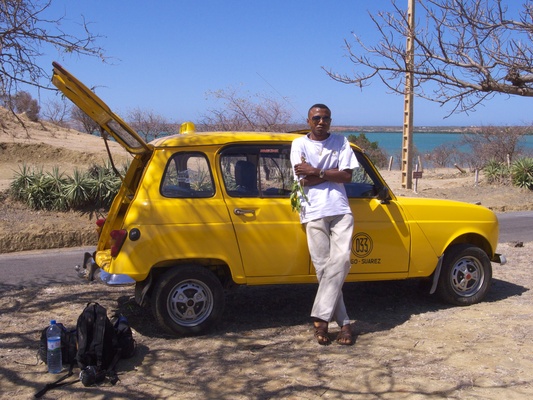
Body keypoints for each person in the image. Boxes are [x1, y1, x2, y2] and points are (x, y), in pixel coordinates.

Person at [290, 104, 359, 346]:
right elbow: (303, 179)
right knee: (323, 268)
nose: (321, 122)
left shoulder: (341, 141)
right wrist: (329, 173)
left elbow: (348, 176)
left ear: (331, 121)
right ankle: (345, 324)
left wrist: (316, 171)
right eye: (316, 118)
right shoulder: (299, 144)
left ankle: (320, 317)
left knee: (342, 262)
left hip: (340, 208)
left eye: (326, 118)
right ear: (308, 120)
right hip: (313, 210)